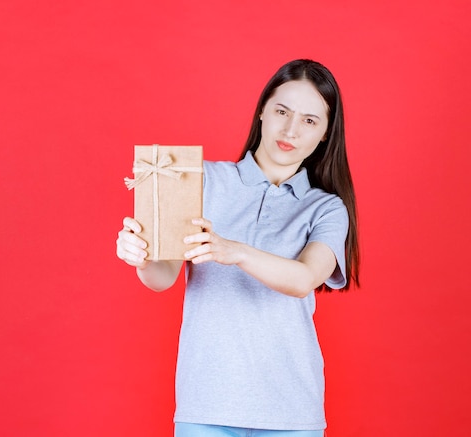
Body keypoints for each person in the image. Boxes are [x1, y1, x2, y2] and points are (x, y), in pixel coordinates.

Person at [116, 59, 360, 437]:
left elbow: (304, 279)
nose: (291, 130)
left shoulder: (325, 207)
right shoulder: (203, 180)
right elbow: (162, 276)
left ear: (326, 133)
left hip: (291, 411)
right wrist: (142, 256)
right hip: (206, 404)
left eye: (310, 121)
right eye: (282, 111)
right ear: (263, 109)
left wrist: (236, 251)